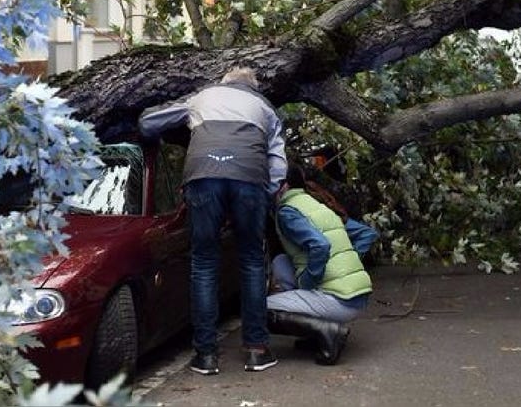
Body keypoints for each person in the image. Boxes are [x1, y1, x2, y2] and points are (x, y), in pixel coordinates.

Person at [138, 66, 287, 375]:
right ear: (253, 87)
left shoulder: (203, 96)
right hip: (249, 180)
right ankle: (256, 350)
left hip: (203, 177)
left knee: (204, 262)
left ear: (224, 82)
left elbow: (148, 122)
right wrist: (265, 192)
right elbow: (277, 161)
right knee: (252, 261)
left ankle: (206, 355)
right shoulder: (265, 107)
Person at [267, 165, 374, 365]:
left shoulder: (288, 212)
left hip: (339, 300)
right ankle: (315, 335)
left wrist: (308, 282)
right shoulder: (315, 204)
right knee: (281, 262)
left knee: (257, 310)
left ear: (284, 186)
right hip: (357, 294)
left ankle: (327, 331)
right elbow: (368, 233)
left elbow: (320, 246)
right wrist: (347, 265)